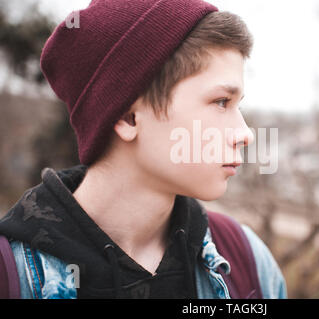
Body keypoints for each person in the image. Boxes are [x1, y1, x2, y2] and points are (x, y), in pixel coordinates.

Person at [0, 0, 287, 299]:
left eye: (237, 105)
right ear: (128, 117)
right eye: (221, 102)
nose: (245, 134)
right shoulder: (11, 277)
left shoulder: (247, 261)